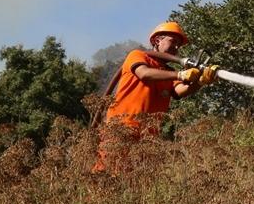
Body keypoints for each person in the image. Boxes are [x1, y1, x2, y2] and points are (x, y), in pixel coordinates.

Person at [93, 21, 218, 172]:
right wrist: (180, 74)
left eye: (179, 45)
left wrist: (201, 81)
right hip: (121, 130)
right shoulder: (138, 56)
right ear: (157, 41)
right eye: (173, 41)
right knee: (107, 175)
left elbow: (179, 91)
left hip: (148, 138)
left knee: (138, 185)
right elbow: (144, 74)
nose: (177, 48)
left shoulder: (168, 72)